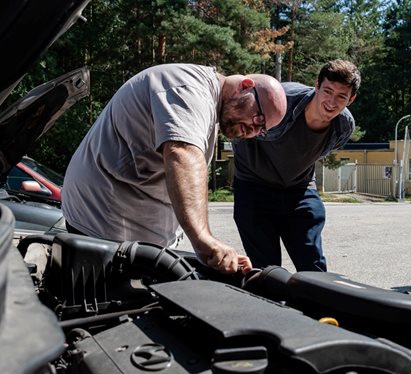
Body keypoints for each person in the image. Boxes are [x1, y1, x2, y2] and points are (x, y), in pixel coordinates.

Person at [62, 64, 287, 274]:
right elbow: (183, 154)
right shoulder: (188, 88)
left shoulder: (207, 104)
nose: (254, 130)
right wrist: (204, 240)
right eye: (258, 117)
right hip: (102, 231)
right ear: (245, 86)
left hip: (131, 238)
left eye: (262, 130)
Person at [232, 59, 360, 272]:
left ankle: (317, 304)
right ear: (317, 85)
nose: (331, 102)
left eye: (341, 96)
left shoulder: (344, 125)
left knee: (313, 265)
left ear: (351, 99)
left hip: (298, 189)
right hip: (254, 185)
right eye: (327, 91)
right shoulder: (281, 101)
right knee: (266, 270)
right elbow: (240, 131)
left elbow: (313, 154)